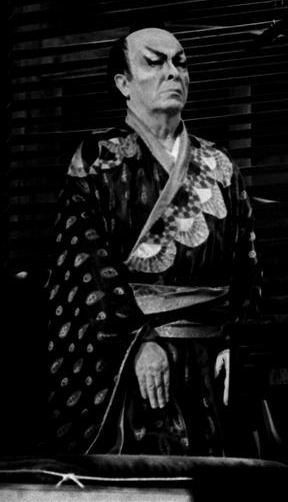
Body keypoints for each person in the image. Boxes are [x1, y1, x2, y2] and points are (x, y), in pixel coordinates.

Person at [43, 27, 262, 457]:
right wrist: (137, 343)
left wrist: (239, 346)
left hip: (211, 364)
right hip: (131, 359)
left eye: (180, 63)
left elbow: (247, 267)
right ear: (123, 83)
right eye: (154, 62)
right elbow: (85, 268)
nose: (173, 72)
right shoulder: (98, 159)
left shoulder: (219, 164)